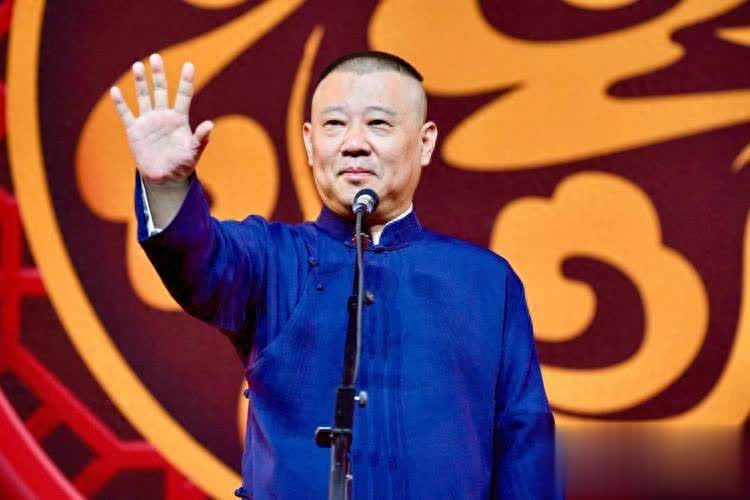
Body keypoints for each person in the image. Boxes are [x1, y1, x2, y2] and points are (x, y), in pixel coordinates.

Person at [111, 50, 558, 499]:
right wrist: (167, 187)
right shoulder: (271, 258)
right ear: (309, 143)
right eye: (334, 124)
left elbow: (524, 445)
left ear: (424, 143)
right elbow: (196, 260)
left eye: (378, 124)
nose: (353, 143)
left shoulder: (485, 282)